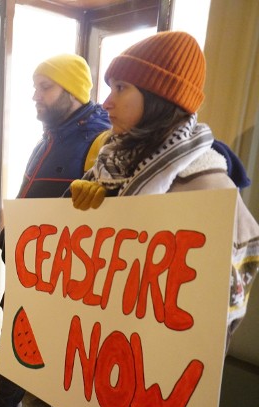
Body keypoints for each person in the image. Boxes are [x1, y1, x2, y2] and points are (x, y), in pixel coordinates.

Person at [70, 31, 259, 353]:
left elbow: (219, 319)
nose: (106, 102)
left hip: (147, 369)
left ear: (160, 97)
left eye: (120, 87)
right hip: (90, 349)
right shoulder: (110, 165)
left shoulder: (210, 188)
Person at [0, 54, 111, 407]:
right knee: (16, 341)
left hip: (67, 278)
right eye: (35, 86)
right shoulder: (46, 139)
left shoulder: (101, 139)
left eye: (45, 87)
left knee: (65, 356)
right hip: (28, 268)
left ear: (74, 91)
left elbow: (101, 218)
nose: (36, 95)